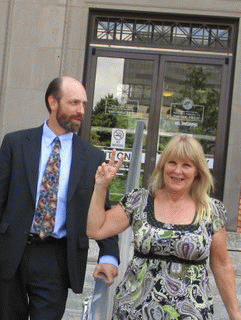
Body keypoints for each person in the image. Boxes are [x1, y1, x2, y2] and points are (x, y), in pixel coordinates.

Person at [0, 76, 119, 320]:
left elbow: (102, 211)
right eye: (74, 103)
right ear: (53, 102)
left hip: (56, 257)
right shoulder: (15, 144)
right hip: (11, 251)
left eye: (84, 104)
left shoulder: (91, 157)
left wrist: (109, 257)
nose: (81, 111)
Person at [87, 134, 241, 320]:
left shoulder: (211, 210)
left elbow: (222, 265)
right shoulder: (140, 200)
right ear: (162, 166)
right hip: (134, 311)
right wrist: (101, 187)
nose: (177, 171)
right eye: (172, 162)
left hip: (190, 313)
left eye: (186, 165)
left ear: (197, 171)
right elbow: (96, 229)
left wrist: (235, 314)